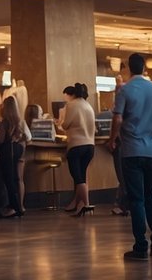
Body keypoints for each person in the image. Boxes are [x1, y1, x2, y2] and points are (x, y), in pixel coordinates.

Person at [108, 53, 152, 262]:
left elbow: (117, 118)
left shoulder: (125, 90)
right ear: (144, 68)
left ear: (128, 69)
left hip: (132, 150)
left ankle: (141, 246)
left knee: (136, 199)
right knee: (151, 197)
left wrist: (112, 139)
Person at [58, 83, 96, 216]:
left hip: (76, 145)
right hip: (90, 146)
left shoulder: (71, 105)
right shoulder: (88, 106)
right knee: (82, 176)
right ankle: (78, 204)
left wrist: (59, 123)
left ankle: (86, 205)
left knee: (78, 177)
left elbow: (66, 124)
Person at [0, 95, 29, 218]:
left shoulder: (4, 123)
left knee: (8, 180)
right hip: (18, 150)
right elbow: (27, 137)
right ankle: (18, 206)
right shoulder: (19, 121)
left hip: (8, 151)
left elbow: (0, 140)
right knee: (15, 179)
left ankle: (14, 207)